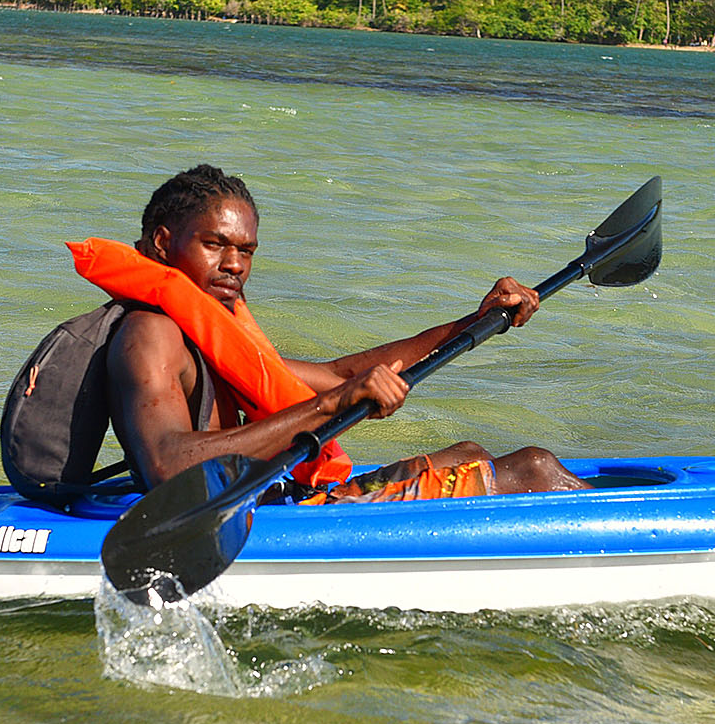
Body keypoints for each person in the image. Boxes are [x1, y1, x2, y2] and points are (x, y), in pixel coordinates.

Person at [86, 165, 588, 502]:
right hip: (235, 525)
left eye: (247, 250)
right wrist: (333, 404)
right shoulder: (151, 334)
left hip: (278, 500)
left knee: (471, 454)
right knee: (535, 470)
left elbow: (336, 375)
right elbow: (167, 468)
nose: (234, 264)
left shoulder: (208, 328)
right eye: (215, 245)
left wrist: (473, 323)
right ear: (161, 243)